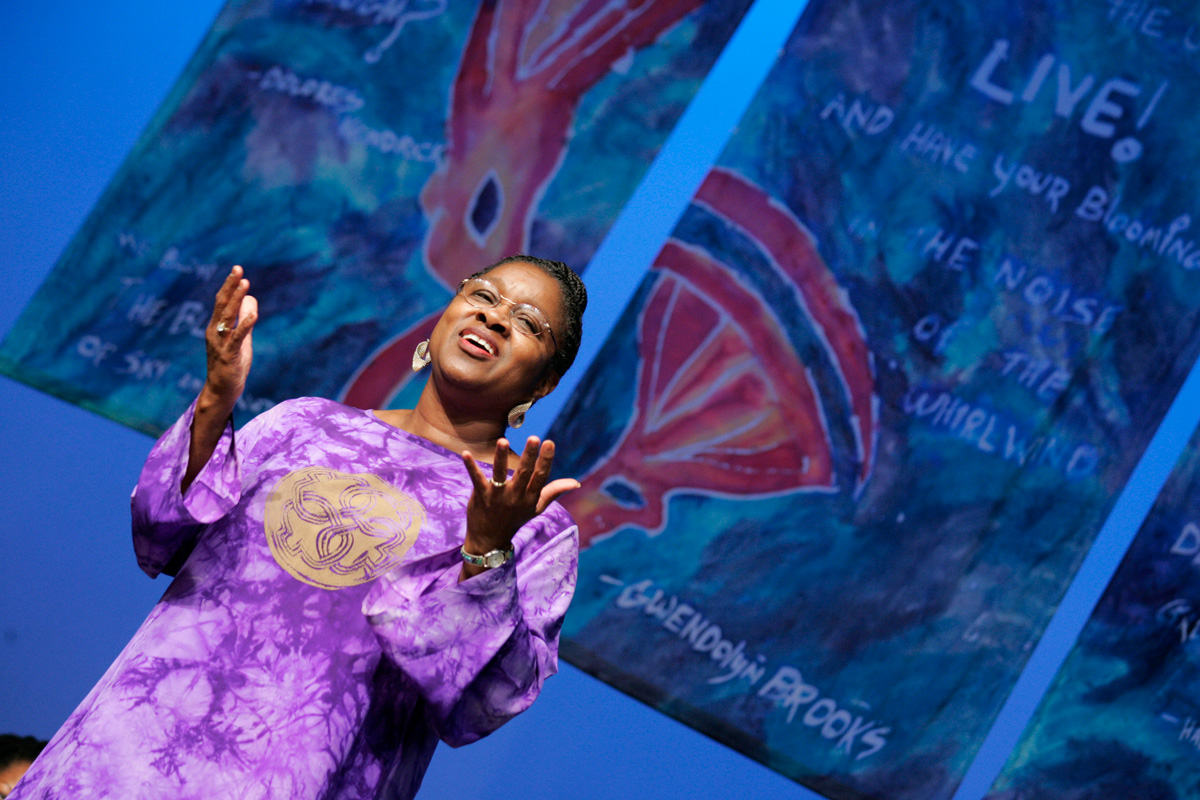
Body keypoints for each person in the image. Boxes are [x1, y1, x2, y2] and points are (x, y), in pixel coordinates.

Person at [10, 254, 586, 799]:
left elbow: (481, 702)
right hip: (121, 752)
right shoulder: (303, 424)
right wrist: (216, 399)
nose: (494, 317)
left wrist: (486, 549)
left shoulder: (533, 522)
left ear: (545, 384)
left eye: (527, 323)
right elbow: (161, 530)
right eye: (483, 295)